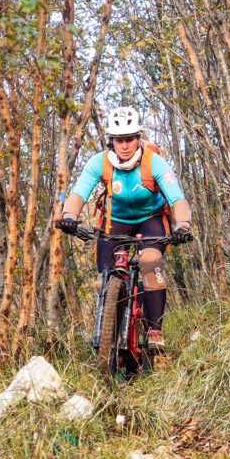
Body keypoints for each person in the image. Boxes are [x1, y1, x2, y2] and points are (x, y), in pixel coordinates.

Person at [55, 106, 192, 352]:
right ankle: (110, 336)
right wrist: (69, 216)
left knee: (150, 261)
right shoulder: (100, 162)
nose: (125, 145)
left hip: (150, 220)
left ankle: (154, 331)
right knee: (104, 280)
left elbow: (176, 198)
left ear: (138, 138)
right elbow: (79, 192)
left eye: (130, 139)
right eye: (119, 140)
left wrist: (183, 224)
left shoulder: (153, 162)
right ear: (112, 141)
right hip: (113, 221)